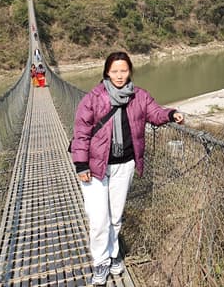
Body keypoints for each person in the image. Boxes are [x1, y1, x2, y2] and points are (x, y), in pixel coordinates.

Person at [70, 51, 183, 285]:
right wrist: (81, 163)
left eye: (124, 70)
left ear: (129, 71)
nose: (119, 76)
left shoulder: (139, 96)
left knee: (115, 216)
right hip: (94, 167)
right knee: (99, 219)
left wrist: (172, 114)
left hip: (125, 165)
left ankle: (113, 256)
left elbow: (155, 113)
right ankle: (100, 262)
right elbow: (81, 131)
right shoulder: (93, 98)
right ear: (107, 72)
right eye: (115, 71)